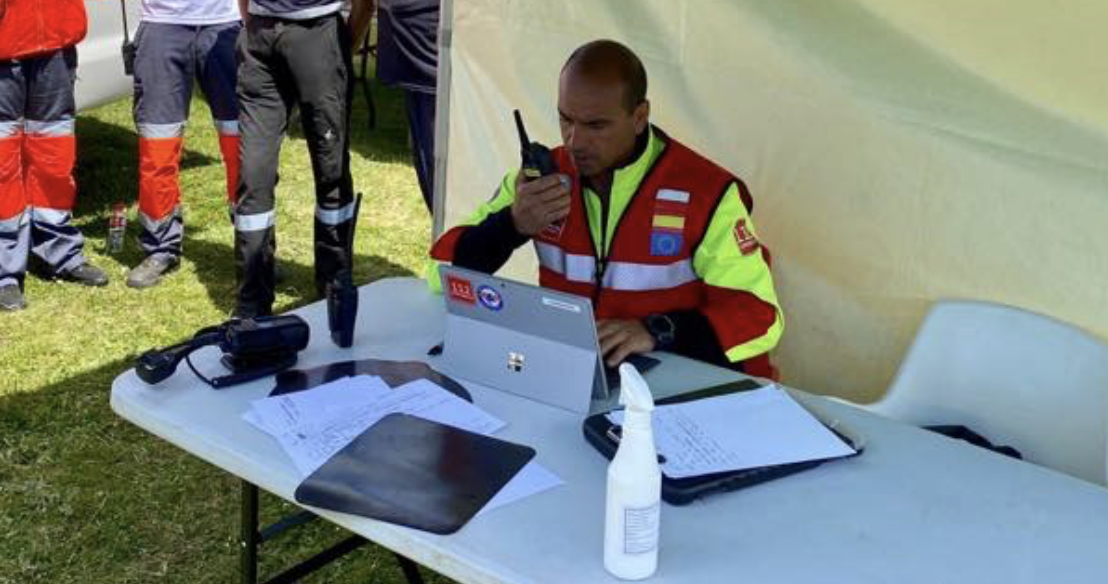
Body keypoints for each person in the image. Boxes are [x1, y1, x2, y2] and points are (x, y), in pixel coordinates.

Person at [429, 40, 784, 378]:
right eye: (565, 119)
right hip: (576, 379)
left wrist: (658, 330)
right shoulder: (540, 178)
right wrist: (510, 226)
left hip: (676, 384)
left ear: (640, 116)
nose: (574, 141)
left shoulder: (707, 192)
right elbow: (439, 272)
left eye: (596, 125)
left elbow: (760, 315)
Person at [232, 0, 372, 317]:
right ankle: (252, 301)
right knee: (253, 175)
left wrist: (337, 51)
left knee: (330, 169)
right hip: (258, 39)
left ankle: (333, 283)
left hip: (319, 34)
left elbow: (365, 5)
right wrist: (252, 23)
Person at [0, 0, 110, 312]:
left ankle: (60, 252)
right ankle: (5, 270)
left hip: (55, 35)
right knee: (3, 161)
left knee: (54, 154)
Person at [126, 0, 244, 288]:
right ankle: (160, 247)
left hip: (226, 24)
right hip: (161, 24)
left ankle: (253, 244)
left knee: (242, 143)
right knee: (158, 145)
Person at [371, 0, 439, 213]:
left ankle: (454, 241)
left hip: (433, 63)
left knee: (441, 177)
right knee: (430, 171)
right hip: (416, 61)